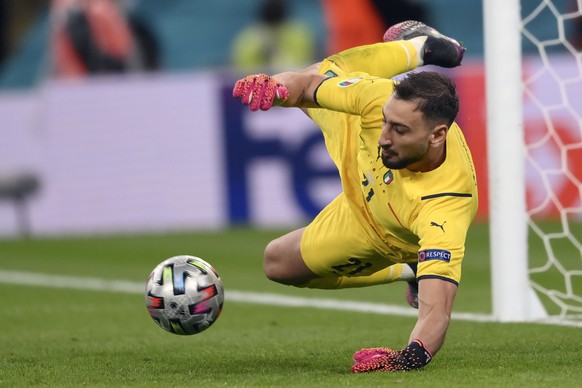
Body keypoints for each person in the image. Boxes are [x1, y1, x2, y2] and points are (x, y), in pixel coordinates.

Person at [232, 21, 477, 372]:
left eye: (400, 130)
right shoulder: (378, 102)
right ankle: (423, 49)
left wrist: (408, 357)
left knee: (278, 262)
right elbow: (304, 86)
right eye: (388, 122)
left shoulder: (445, 206)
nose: (385, 137)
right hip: (353, 137)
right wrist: (275, 87)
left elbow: (437, 311)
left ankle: (410, 267)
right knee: (327, 71)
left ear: (437, 135)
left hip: (384, 234)